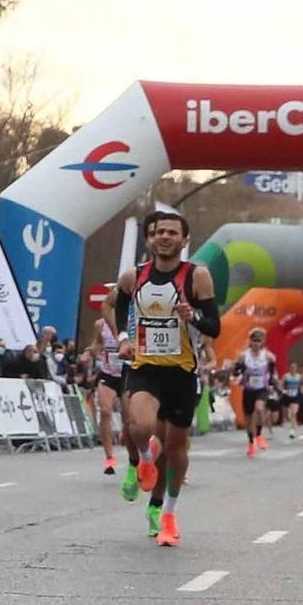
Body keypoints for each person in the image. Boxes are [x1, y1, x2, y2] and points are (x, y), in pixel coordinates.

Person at [114, 210, 222, 545]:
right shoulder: (134, 276)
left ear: (184, 240)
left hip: (181, 372)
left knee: (175, 449)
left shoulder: (197, 276)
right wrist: (123, 339)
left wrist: (195, 316)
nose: (165, 237)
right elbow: (119, 306)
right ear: (150, 238)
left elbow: (214, 326)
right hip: (146, 367)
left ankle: (168, 513)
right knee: (140, 425)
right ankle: (145, 461)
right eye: (160, 232)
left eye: (173, 233)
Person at [91, 316, 128, 475]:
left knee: (129, 419)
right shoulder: (100, 324)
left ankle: (125, 433)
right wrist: (94, 352)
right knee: (105, 411)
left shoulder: (131, 322)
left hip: (128, 375)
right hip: (109, 375)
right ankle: (109, 458)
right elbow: (97, 345)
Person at [233, 328, 277, 458]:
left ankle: (258, 435)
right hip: (248, 389)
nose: (256, 344)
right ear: (250, 342)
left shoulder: (268, 356)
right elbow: (236, 371)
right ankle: (251, 442)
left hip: (261, 389)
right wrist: (238, 373)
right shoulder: (243, 356)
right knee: (248, 418)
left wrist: (270, 384)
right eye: (254, 341)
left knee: (259, 409)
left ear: (262, 342)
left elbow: (272, 372)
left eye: (259, 341)